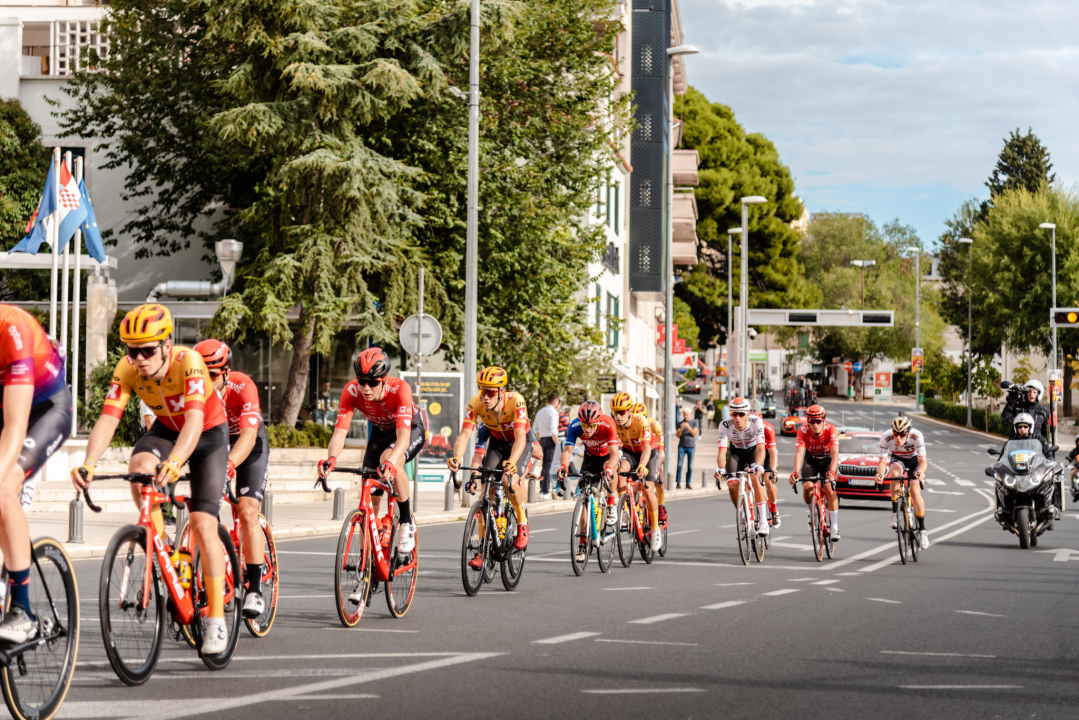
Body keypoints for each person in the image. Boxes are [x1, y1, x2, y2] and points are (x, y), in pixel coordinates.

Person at [74, 304, 233, 654]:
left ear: (166, 345)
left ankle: (218, 621)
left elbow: (193, 422)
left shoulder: (188, 361)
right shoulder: (128, 369)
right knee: (139, 469)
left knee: (204, 523)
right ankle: (163, 550)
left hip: (206, 433)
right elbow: (108, 419)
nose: (140, 358)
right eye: (133, 350)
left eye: (148, 350)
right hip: (165, 428)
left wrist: (177, 460)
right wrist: (88, 463)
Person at [0, 305, 71, 643]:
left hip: (46, 410)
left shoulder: (12, 327)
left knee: (3, 487)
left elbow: (15, 428)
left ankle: (23, 612)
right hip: (5, 407)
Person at [319, 347, 424, 570]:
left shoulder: (400, 389)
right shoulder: (351, 391)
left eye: (373, 383)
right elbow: (340, 432)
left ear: (385, 380)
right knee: (370, 493)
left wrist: (391, 462)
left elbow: (403, 438)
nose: (366, 388)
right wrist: (331, 459)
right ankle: (366, 557)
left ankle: (405, 522)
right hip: (379, 432)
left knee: (391, 459)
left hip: (408, 430)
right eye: (362, 381)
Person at [194, 339, 270, 619]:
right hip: (217, 442)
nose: (207, 381)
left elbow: (249, 436)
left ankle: (255, 588)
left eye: (213, 376)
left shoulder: (242, 386)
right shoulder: (195, 392)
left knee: (247, 510)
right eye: (202, 375)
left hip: (249, 443)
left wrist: (229, 464)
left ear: (226, 373)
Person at [448, 367, 535, 557]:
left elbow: (521, 438)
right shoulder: (476, 403)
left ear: (501, 391)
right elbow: (464, 435)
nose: (485, 396)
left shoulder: (516, 401)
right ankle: (482, 548)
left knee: (508, 481)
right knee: (486, 491)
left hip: (520, 442)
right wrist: (457, 458)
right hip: (497, 443)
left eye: (490, 392)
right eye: (482, 390)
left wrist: (512, 462)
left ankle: (522, 524)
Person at [557, 401, 621, 550]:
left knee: (609, 468)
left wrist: (610, 468)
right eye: (584, 425)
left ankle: (611, 503)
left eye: (591, 426)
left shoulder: (608, 424)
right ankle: (582, 543)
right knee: (585, 497)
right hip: (590, 457)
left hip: (607, 457)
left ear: (598, 421)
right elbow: (567, 451)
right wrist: (564, 466)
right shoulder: (574, 426)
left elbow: (615, 454)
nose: (587, 429)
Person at [610, 393, 661, 552]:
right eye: (615, 412)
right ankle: (625, 510)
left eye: (622, 412)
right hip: (629, 453)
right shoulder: (615, 424)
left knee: (648, 489)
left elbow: (646, 448)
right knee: (620, 474)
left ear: (630, 411)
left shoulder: (641, 422)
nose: (618, 416)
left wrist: (642, 465)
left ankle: (655, 529)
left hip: (648, 453)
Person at [714, 397, 769, 536]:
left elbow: (761, 448)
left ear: (748, 414)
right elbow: (722, 451)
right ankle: (743, 516)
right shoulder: (725, 425)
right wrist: (720, 468)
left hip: (753, 451)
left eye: (741, 414)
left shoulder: (756, 422)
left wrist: (759, 465)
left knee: (755, 478)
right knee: (732, 485)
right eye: (734, 414)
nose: (737, 418)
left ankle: (763, 522)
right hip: (736, 452)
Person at [874, 416, 929, 549]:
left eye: (902, 434)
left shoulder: (917, 436)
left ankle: (922, 530)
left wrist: (921, 472)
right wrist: (879, 474)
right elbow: (882, 462)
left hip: (915, 461)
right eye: (895, 433)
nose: (898, 437)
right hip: (898, 460)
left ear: (908, 433)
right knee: (894, 474)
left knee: (915, 492)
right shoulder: (886, 437)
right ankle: (895, 514)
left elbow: (923, 463)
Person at [788, 404, 841, 540]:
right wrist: (795, 473)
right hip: (810, 460)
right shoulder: (802, 431)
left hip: (827, 461)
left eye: (818, 421)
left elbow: (835, 454)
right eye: (811, 421)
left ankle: (834, 526)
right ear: (808, 422)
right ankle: (813, 513)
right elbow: (799, 453)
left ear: (823, 420)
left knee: (829, 487)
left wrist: (833, 472)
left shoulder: (831, 429)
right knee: (807, 487)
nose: (815, 424)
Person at [753, 410, 781, 528]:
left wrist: (773, 471)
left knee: (768, 480)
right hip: (754, 453)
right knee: (750, 477)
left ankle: (774, 509)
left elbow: (773, 453)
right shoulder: (746, 429)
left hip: (768, 453)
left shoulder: (768, 428)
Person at [1002, 380, 1050, 446]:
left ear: (1038, 394)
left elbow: (1044, 433)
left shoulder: (1043, 411)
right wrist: (1010, 403)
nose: (1031, 394)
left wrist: (1045, 448)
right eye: (1029, 391)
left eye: (1034, 392)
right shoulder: (1017, 407)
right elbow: (1006, 422)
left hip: (1035, 447)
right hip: (1017, 445)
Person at [533, 392, 561, 499]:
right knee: (548, 466)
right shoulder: (553, 412)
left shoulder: (540, 411)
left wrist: (541, 439)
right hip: (550, 440)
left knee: (545, 465)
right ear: (556, 402)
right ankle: (546, 491)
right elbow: (554, 430)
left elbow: (535, 428)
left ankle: (542, 490)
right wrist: (557, 444)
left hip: (543, 439)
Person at [676, 407, 699, 489]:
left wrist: (688, 427)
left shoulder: (694, 422)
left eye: (687, 415)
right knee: (679, 465)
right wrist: (682, 428)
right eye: (684, 415)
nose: (686, 416)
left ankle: (688, 483)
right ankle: (678, 483)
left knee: (690, 466)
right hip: (682, 446)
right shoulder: (680, 423)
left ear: (690, 415)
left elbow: (694, 434)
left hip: (691, 447)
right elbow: (678, 435)